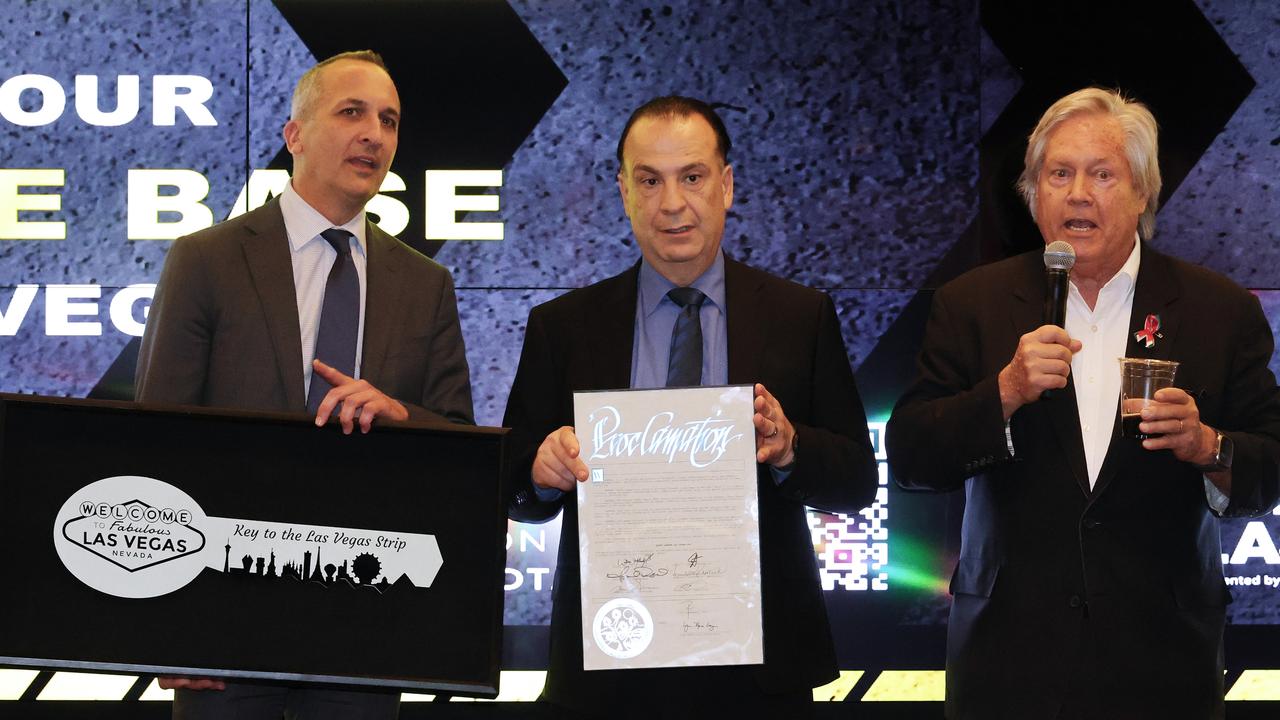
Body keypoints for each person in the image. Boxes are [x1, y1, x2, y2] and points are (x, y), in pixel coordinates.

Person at [887, 87, 1280, 719]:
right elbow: (909, 456)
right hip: (1008, 665)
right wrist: (1005, 393)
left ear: (1142, 191)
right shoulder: (971, 306)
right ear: (1032, 192)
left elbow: (1271, 467)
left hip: (1164, 666)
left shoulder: (1219, 311)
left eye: (1102, 174)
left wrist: (1209, 446)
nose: (1077, 194)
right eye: (1059, 174)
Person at [502, 95, 879, 718]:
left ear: (726, 186)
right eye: (649, 180)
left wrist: (791, 449)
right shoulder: (563, 327)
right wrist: (539, 474)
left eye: (693, 177)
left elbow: (856, 482)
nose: (671, 203)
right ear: (623, 191)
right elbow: (513, 486)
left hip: (760, 677)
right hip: (608, 669)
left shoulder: (799, 317)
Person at [136, 50, 474, 719]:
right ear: (293, 136)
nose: (374, 134)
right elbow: (157, 446)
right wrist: (165, 622)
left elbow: (462, 446)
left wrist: (400, 414)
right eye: (352, 112)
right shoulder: (206, 260)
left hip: (368, 628)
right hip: (224, 623)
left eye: (389, 120)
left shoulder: (425, 284)